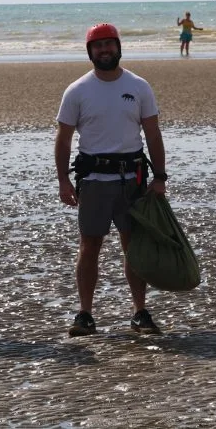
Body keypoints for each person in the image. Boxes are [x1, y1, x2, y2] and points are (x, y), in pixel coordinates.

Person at [55, 23, 169, 336]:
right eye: (98, 46)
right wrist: (63, 181)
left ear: (118, 47)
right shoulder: (77, 90)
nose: (104, 50)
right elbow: (63, 140)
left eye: (109, 45)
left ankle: (140, 311)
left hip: (133, 179)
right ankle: (85, 314)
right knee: (90, 245)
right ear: (90, 51)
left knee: (134, 245)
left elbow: (153, 134)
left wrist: (159, 177)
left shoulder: (139, 86)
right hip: (93, 180)